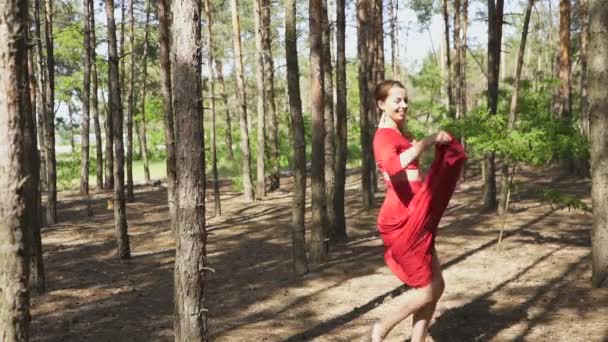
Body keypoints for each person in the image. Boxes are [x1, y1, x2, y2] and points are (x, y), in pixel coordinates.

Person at [370, 80, 467, 342]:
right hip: (399, 221)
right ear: (381, 104)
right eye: (396, 101)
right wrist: (426, 142)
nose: (403, 105)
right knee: (426, 289)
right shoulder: (383, 136)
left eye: (405, 100)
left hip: (417, 217)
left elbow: (411, 176)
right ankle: (381, 327)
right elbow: (392, 167)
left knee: (437, 286)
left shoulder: (399, 135)